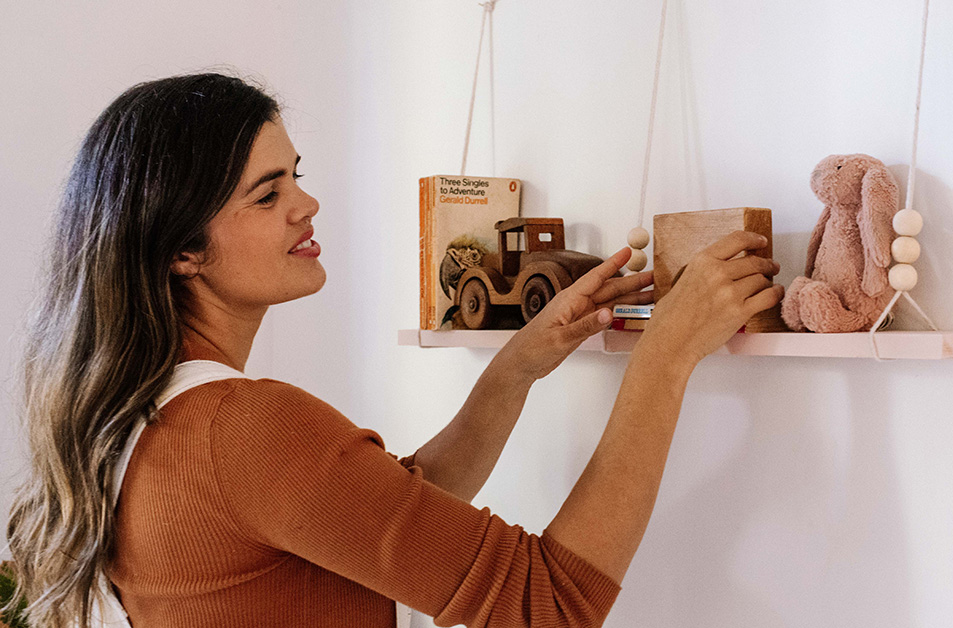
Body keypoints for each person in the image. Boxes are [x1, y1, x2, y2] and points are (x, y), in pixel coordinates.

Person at [3, 73, 783, 628]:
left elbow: (384, 511)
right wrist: (666, 360)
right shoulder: (243, 426)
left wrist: (518, 364)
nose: (306, 203)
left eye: (296, 177)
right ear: (182, 251)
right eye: (267, 194)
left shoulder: (139, 419)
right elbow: (547, 605)